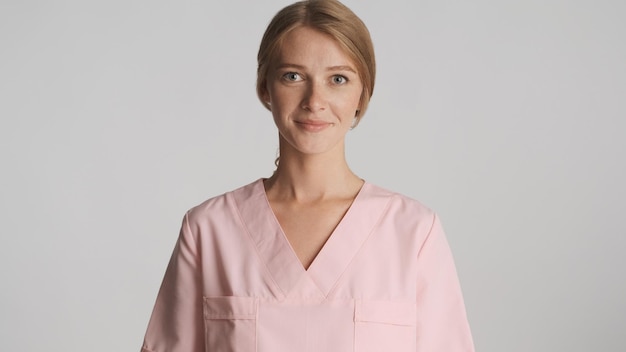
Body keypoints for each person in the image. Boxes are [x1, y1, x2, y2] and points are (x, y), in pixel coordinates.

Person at [140, 0, 475, 351]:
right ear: (265, 88)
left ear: (363, 93)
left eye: (338, 79)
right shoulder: (209, 230)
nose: (315, 100)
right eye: (293, 76)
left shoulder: (413, 233)